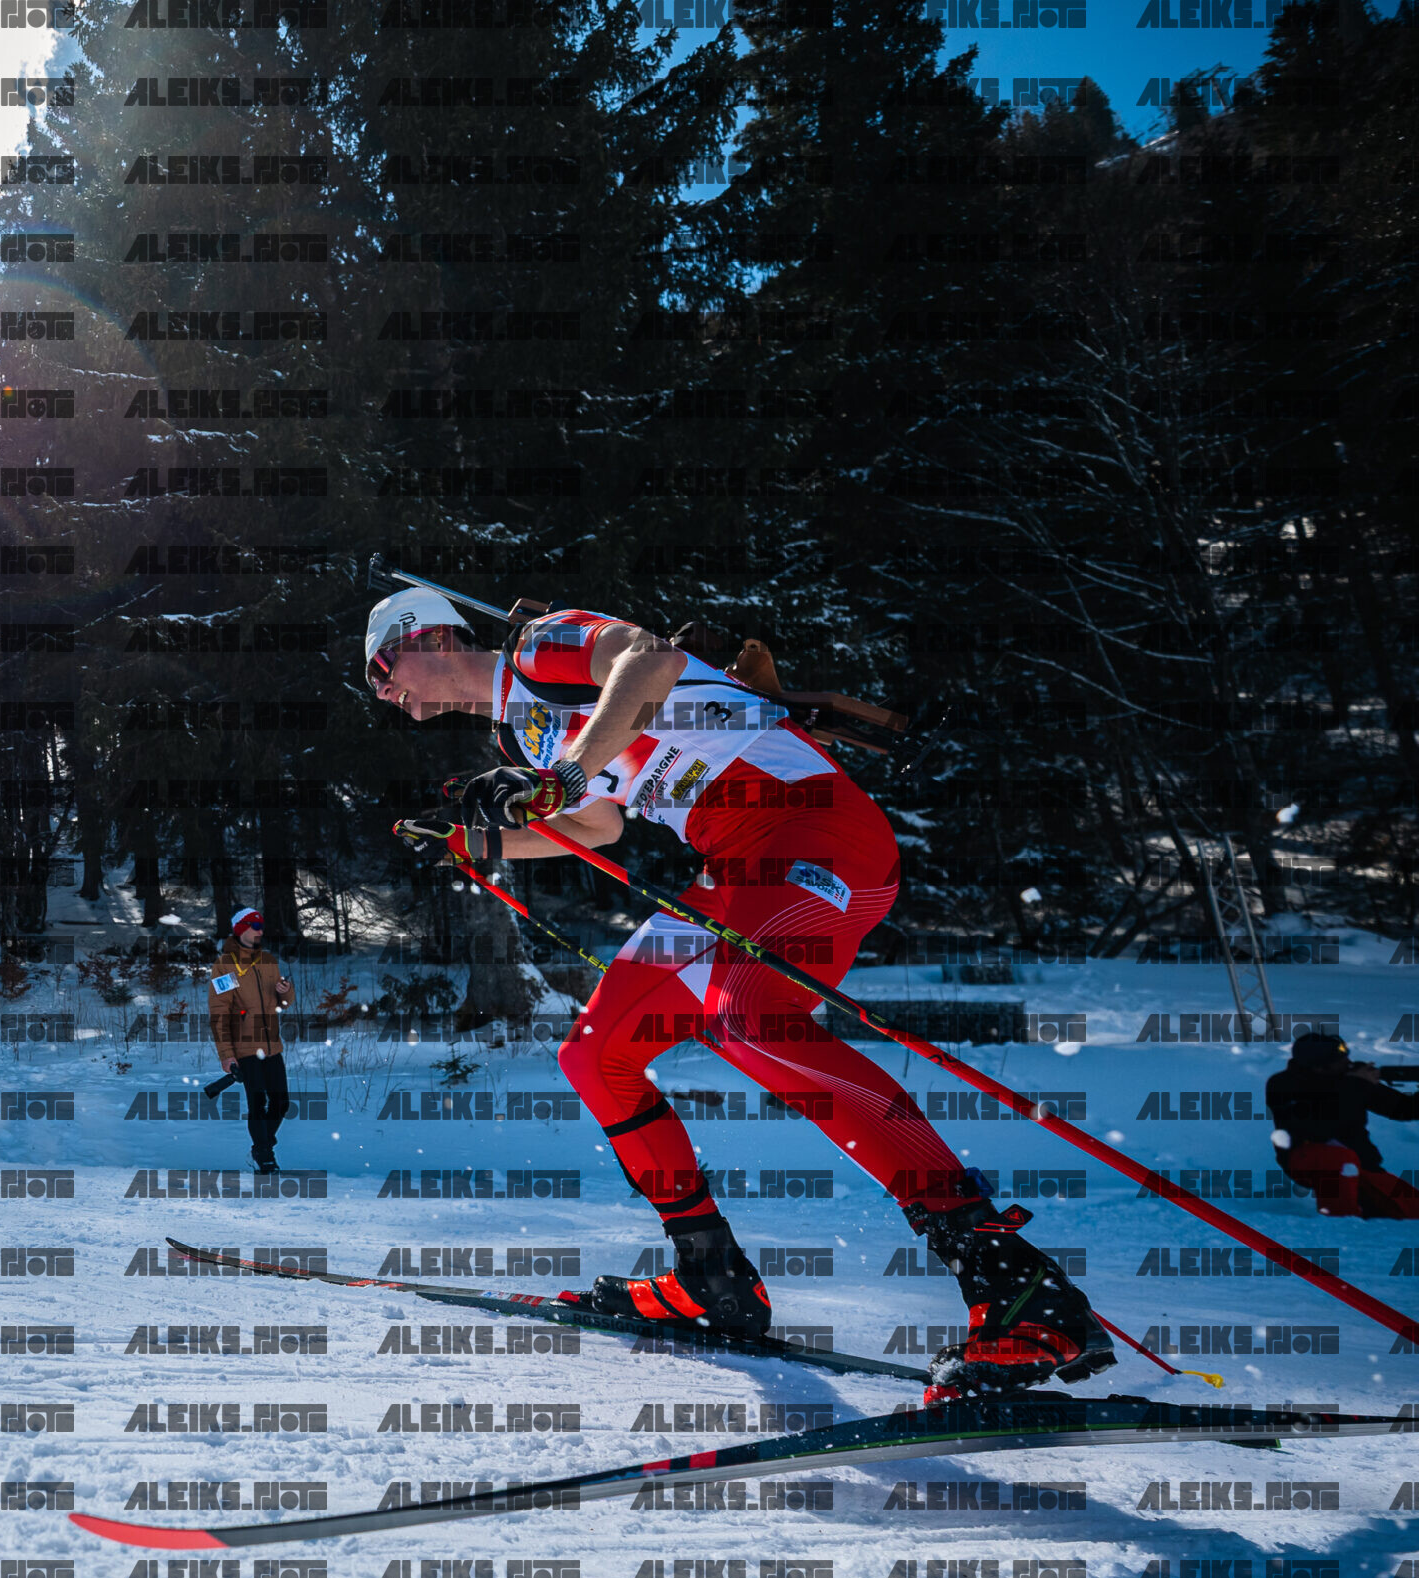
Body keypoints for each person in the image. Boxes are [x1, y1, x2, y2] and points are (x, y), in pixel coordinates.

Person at [366, 587, 1111, 1402]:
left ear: (429, 634)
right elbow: (597, 828)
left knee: (746, 1016)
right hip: (733, 869)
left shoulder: (539, 646)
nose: (382, 689)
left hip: (813, 830)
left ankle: (1015, 1285)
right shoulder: (517, 730)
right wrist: (476, 837)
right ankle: (711, 1278)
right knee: (596, 1053)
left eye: (381, 666)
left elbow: (649, 659)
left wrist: (562, 774)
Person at [1266, 1032, 1419, 1218]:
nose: (1348, 1062)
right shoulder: (1283, 1084)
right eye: (1340, 1060)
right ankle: (1340, 1221)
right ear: (1319, 1066)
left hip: (1361, 1164)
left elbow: (1404, 1109)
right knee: (1340, 1158)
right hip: (1307, 1158)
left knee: (1412, 1209)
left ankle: (1362, 1209)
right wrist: (1356, 1084)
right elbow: (1317, 1129)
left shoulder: (1349, 1080)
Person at [209, 907, 293, 1174]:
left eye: (261, 925)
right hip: (244, 1047)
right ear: (240, 929)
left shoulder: (268, 961)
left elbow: (283, 1003)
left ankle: (260, 1147)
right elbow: (219, 1012)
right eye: (254, 925)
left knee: (281, 1103)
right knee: (258, 1103)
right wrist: (226, 1054)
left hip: (272, 1045)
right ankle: (264, 1155)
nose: (260, 930)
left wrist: (285, 992)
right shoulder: (226, 966)